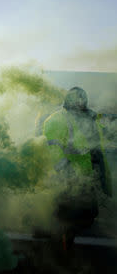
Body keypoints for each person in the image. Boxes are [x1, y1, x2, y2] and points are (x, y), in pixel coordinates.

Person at [43, 87, 112, 249]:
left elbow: (97, 146)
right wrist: (67, 173)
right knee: (68, 220)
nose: (82, 103)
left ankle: (62, 242)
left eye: (83, 99)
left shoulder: (89, 118)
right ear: (70, 101)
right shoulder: (57, 120)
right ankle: (62, 250)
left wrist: (101, 175)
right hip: (68, 180)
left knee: (86, 216)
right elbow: (53, 152)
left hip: (86, 177)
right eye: (78, 100)